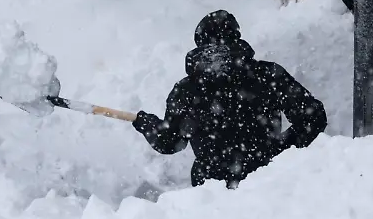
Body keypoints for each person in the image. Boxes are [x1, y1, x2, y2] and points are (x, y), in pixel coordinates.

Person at [132, 10, 327, 188]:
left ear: (200, 43)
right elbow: (313, 117)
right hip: (268, 182)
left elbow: (169, 141)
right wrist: (282, 149)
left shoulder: (186, 89)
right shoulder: (268, 74)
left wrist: (146, 123)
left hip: (211, 193)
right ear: (236, 36)